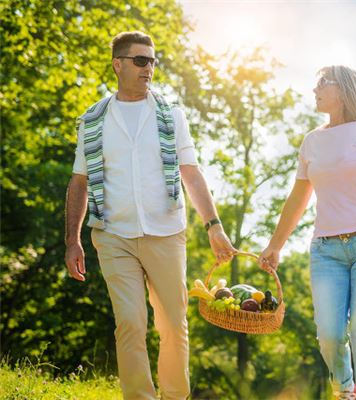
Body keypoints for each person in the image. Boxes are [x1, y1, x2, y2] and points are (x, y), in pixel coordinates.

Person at [64, 31, 236, 400]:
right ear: (118, 64)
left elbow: (190, 172)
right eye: (141, 60)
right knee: (129, 322)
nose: (149, 68)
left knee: (174, 324)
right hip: (113, 235)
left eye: (153, 61)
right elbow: (78, 183)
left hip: (165, 232)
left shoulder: (171, 116)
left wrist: (214, 226)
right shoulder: (92, 121)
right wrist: (72, 240)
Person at [259, 65, 356, 400]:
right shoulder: (312, 141)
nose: (314, 90)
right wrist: (275, 245)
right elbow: (299, 197)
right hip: (326, 251)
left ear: (342, 89)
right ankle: (345, 388)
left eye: (321, 84)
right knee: (328, 334)